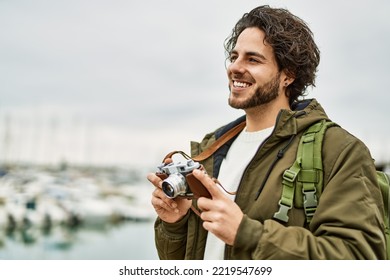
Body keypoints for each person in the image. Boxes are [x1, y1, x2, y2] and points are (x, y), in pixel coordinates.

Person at [147, 5, 386, 259]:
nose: (235, 68)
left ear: (288, 75)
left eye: (253, 59)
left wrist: (247, 233)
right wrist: (175, 224)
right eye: (234, 56)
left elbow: (360, 257)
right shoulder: (211, 149)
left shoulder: (339, 151)